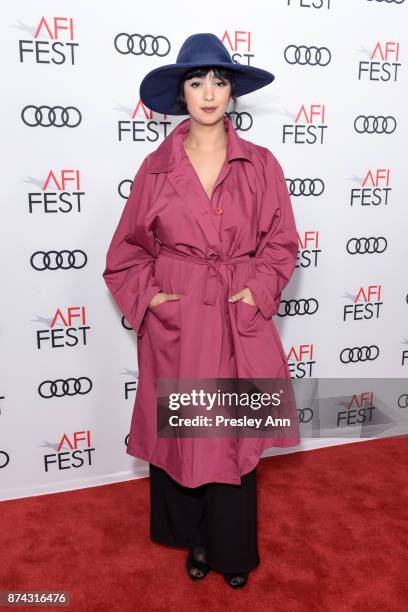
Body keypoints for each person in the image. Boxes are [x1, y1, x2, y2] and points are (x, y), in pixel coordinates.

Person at [103, 33, 300, 589]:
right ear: (181, 93)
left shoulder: (262, 164)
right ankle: (192, 537)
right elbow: (124, 254)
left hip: (238, 314)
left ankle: (231, 548)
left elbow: (282, 242)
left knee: (234, 434)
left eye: (218, 81)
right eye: (196, 82)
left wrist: (258, 292)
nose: (208, 93)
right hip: (182, 315)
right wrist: (152, 299)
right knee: (188, 430)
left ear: (233, 92)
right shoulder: (157, 167)